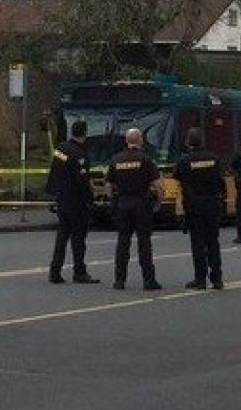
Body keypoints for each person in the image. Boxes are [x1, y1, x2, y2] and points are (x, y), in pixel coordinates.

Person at [106, 127, 162, 291]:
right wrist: (158, 201)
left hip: (123, 203)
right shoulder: (146, 160)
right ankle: (148, 280)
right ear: (140, 141)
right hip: (141, 203)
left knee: (123, 242)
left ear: (126, 141)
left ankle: (119, 280)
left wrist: (114, 200)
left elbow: (109, 186)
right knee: (144, 242)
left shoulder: (116, 160)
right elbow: (157, 185)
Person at [45, 120, 99, 284]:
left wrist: (53, 192)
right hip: (76, 201)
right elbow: (82, 180)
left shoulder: (60, 149)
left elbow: (55, 170)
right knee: (78, 239)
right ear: (85, 134)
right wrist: (91, 199)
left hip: (62, 198)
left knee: (62, 237)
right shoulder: (80, 155)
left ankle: (55, 272)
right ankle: (79, 272)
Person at [174, 127, 225, 290]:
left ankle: (200, 279)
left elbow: (178, 179)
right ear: (202, 140)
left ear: (188, 142)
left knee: (198, 244)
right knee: (213, 242)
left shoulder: (184, 160)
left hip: (194, 206)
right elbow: (221, 182)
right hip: (212, 204)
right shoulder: (214, 158)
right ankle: (217, 279)